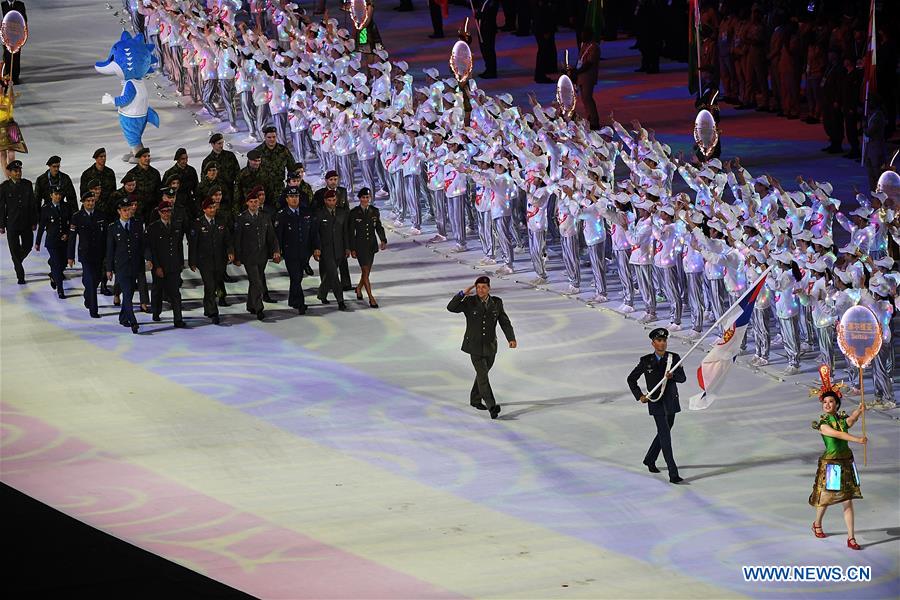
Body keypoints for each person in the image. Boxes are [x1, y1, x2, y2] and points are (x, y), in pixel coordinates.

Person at [809, 368, 866, 551]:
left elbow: (850, 422)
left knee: (847, 501)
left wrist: (859, 411)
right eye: (825, 401)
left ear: (837, 404)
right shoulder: (823, 425)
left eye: (831, 401)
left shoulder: (841, 420)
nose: (827, 404)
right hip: (832, 465)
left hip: (846, 463)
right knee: (825, 499)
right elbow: (840, 435)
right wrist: (857, 440)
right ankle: (817, 523)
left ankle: (851, 538)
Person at [446, 275, 516, 419]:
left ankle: (475, 399)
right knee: (483, 376)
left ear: (489, 288)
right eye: (478, 287)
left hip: (491, 346)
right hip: (474, 346)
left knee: (482, 374)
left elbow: (504, 321)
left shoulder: (497, 302)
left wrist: (511, 338)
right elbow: (451, 308)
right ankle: (492, 406)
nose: (480, 290)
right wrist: (461, 294)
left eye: (483, 287)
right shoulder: (470, 302)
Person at [626, 328, 687, 484]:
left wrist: (673, 375)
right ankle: (673, 473)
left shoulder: (674, 358)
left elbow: (682, 378)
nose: (662, 343)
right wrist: (640, 395)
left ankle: (650, 458)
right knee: (665, 437)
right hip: (656, 403)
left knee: (663, 432)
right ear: (653, 343)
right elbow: (631, 379)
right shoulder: (646, 361)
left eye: (664, 340)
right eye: (659, 341)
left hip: (671, 402)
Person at [233, 191, 280, 320]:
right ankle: (259, 308)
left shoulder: (265, 217)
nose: (254, 204)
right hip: (249, 257)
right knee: (257, 282)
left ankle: (250, 305)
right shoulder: (242, 218)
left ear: (259, 203)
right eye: (251, 202)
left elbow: (271, 236)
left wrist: (276, 250)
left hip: (262, 256)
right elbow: (237, 240)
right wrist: (237, 256)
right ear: (247, 203)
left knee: (255, 281)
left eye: (256, 201)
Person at [188, 197, 233, 325]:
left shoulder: (221, 221)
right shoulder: (197, 223)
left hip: (220, 260)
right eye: (210, 208)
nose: (212, 210)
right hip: (204, 262)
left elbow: (228, 239)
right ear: (204, 209)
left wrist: (230, 251)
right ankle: (214, 312)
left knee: (215, 284)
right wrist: (192, 261)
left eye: (214, 207)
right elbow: (193, 244)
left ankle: (207, 308)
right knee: (210, 285)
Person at [274, 185, 318, 314]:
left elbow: (313, 233)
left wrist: (316, 248)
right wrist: (277, 251)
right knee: (296, 276)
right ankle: (300, 303)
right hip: (290, 252)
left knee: (297, 278)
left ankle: (292, 299)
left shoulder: (306, 212)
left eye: (296, 196)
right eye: (291, 197)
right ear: (286, 199)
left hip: (305, 252)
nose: (294, 199)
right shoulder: (281, 215)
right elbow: (278, 236)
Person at [106, 198, 146, 334]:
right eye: (125, 210)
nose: (128, 212)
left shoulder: (137, 224)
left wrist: (148, 260)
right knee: (127, 293)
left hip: (135, 265)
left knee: (129, 293)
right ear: (119, 211)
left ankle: (123, 317)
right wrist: (109, 269)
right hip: (121, 267)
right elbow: (110, 250)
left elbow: (142, 245)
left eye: (129, 209)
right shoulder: (112, 227)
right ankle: (133, 321)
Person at [145, 200, 187, 328]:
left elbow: (178, 246)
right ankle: (156, 312)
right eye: (164, 212)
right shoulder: (153, 228)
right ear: (159, 213)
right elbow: (152, 249)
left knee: (175, 293)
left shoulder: (176, 226)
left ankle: (178, 319)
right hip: (160, 266)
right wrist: (156, 266)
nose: (167, 214)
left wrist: (180, 263)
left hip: (173, 265)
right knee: (157, 291)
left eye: (169, 211)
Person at [67, 191, 107, 318]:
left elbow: (106, 236)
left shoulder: (101, 215)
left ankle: (87, 295)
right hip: (85, 254)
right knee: (90, 280)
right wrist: (70, 256)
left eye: (92, 201)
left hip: (99, 254)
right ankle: (93, 310)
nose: (90, 203)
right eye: (88, 201)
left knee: (96, 280)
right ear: (83, 202)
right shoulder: (77, 217)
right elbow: (72, 238)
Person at [348, 188, 387, 308]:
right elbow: (350, 232)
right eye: (363, 197)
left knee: (367, 272)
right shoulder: (354, 212)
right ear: (360, 198)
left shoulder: (374, 211)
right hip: (360, 246)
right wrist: (352, 248)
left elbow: (378, 227)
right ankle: (371, 297)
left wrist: (383, 239)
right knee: (365, 271)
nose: (366, 200)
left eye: (367, 197)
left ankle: (359, 288)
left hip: (371, 245)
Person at [0, 159, 37, 283]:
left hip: (26, 223)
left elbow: (33, 204)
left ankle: (17, 261)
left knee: (28, 245)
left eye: (19, 170)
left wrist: (34, 221)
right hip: (12, 224)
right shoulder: (4, 187)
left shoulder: (27, 184)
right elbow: (1, 207)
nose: (18, 173)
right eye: (15, 171)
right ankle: (20, 275)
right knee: (14, 249)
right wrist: (1, 224)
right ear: (9, 173)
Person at [313, 189, 350, 311]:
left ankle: (322, 294)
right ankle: (340, 301)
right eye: (329, 200)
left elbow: (345, 232)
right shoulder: (319, 214)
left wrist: (347, 248)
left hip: (339, 249)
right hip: (326, 250)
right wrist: (317, 248)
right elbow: (316, 233)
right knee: (334, 275)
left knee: (330, 274)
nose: (332, 202)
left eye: (334, 200)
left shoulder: (342, 213)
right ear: (325, 201)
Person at [34, 186, 71, 298]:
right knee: (57, 264)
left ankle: (52, 274)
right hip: (52, 242)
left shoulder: (66, 206)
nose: (58, 196)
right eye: (55, 194)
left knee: (63, 263)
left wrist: (68, 234)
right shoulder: (45, 208)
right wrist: (38, 242)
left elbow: (71, 223)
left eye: (59, 194)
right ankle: (60, 289)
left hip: (64, 241)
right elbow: (41, 227)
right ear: (51, 195)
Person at [573, 27, 600, 129]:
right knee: (584, 99)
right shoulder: (584, 45)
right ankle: (589, 118)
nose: (581, 37)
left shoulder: (594, 47)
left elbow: (589, 63)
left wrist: (577, 71)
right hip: (582, 75)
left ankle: (594, 121)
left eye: (584, 35)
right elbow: (581, 60)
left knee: (588, 98)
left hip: (588, 76)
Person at [126, 147, 162, 221]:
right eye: (144, 156)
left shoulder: (155, 173)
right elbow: (128, 193)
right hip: (138, 210)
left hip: (153, 209)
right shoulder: (132, 174)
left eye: (148, 156)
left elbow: (159, 191)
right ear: (139, 158)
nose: (147, 158)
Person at [1, 0, 26, 84]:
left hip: (16, 35)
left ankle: (15, 77)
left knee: (16, 55)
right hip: (6, 36)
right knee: (7, 55)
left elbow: (24, 20)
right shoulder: (3, 4)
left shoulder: (20, 5)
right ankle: (7, 76)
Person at [477, 0, 500, 79]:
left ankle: (491, 71)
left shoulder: (492, 2)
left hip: (488, 29)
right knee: (484, 49)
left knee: (488, 49)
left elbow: (490, 14)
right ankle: (488, 68)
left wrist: (480, 15)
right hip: (483, 28)